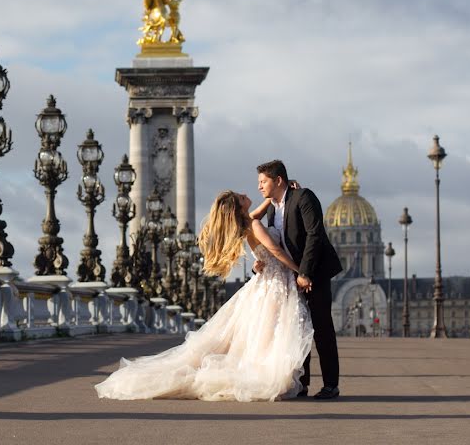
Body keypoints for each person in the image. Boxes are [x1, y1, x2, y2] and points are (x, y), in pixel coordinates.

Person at [94, 190, 313, 401]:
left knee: (265, 332)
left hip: (267, 282)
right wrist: (299, 271)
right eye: (241, 197)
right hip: (274, 281)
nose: (247, 194)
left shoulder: (248, 223)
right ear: (238, 207)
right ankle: (267, 374)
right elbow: (275, 250)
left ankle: (267, 371)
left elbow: (255, 216)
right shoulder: (253, 224)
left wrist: (270, 199)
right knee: (272, 331)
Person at [256, 159, 343, 400]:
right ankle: (301, 383)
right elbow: (276, 244)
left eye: (263, 182)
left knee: (322, 328)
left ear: (278, 180)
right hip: (291, 276)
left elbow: (315, 235)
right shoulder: (273, 207)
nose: (260, 187)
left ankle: (330, 385)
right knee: (298, 327)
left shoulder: (304, 197)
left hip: (314, 273)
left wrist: (305, 273)